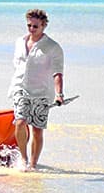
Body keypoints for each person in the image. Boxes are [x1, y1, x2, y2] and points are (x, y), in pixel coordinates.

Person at [9, 9, 65, 171]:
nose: (31, 29)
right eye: (29, 25)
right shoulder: (20, 42)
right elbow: (17, 65)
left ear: (43, 26)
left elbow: (57, 72)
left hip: (41, 92)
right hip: (21, 88)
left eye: (35, 26)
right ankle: (23, 159)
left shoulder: (52, 47)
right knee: (20, 122)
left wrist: (59, 94)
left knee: (37, 130)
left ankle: (33, 164)